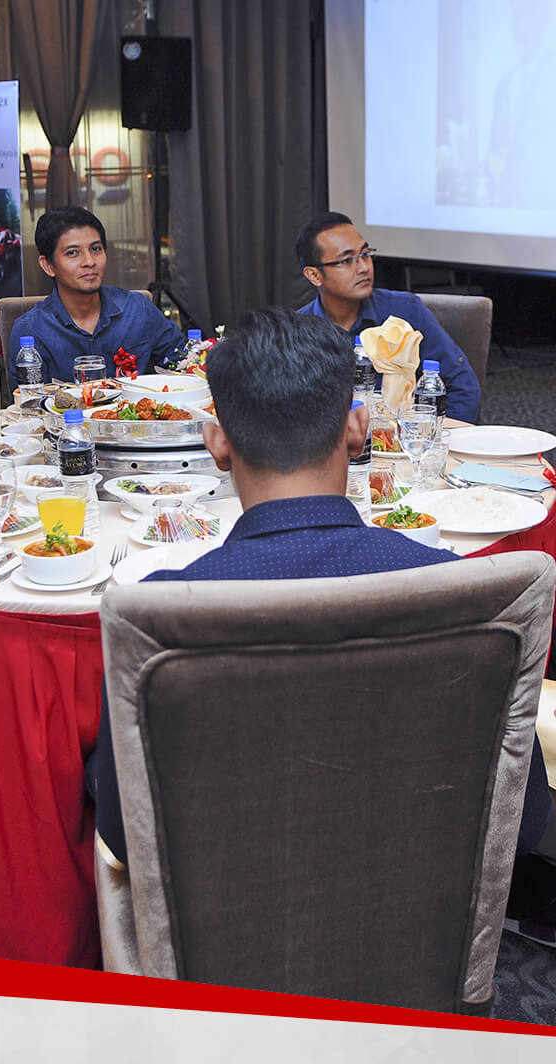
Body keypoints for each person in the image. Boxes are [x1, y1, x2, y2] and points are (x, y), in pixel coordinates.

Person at [91, 308, 551, 911]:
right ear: (358, 429)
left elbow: (123, 834)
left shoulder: (158, 614)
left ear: (217, 444)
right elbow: (525, 818)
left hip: (231, 942)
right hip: (418, 929)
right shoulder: (464, 592)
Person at [296, 211, 481, 422]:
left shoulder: (405, 311)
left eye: (365, 254)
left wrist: (442, 436)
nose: (364, 268)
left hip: (405, 438)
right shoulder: (299, 332)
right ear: (314, 275)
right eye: (347, 260)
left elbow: (461, 385)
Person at [7, 206, 184, 386]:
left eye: (96, 249)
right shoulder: (30, 330)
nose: (89, 261)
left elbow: (183, 363)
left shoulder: (137, 309)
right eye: (73, 253)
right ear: (48, 266)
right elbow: (28, 400)